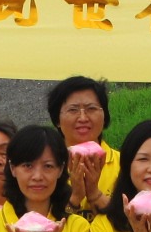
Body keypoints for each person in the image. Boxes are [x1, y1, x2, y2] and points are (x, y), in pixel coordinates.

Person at [48, 76, 119, 216]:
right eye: (73, 110)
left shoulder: (125, 165)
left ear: (104, 115)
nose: (83, 118)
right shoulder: (45, 167)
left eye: (91, 109)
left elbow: (129, 223)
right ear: (57, 120)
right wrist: (75, 198)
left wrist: (94, 194)